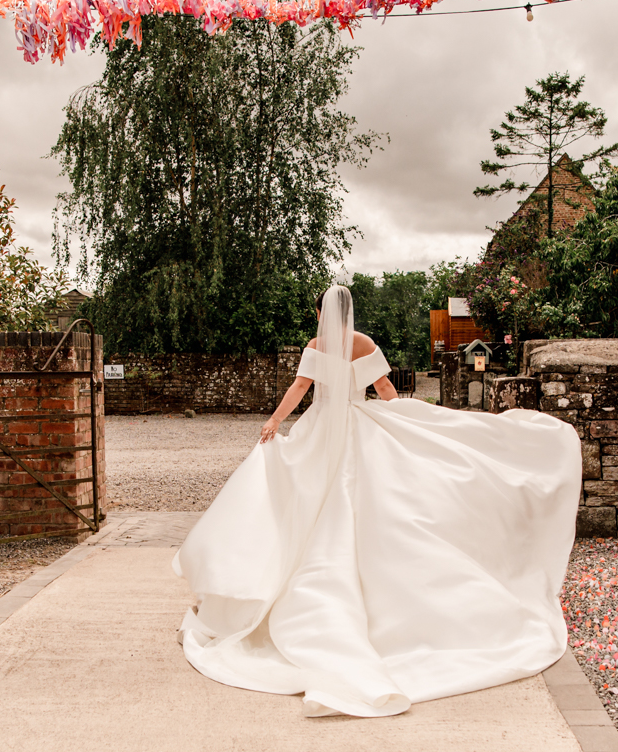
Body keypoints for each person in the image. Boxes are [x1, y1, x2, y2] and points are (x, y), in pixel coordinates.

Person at [173, 284, 581, 717]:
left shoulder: (317, 344)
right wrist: (405, 417)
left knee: (305, 497)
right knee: (374, 500)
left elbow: (300, 387)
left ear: (321, 312)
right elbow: (384, 386)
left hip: (320, 430)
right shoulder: (364, 342)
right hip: (360, 424)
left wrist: (274, 421)